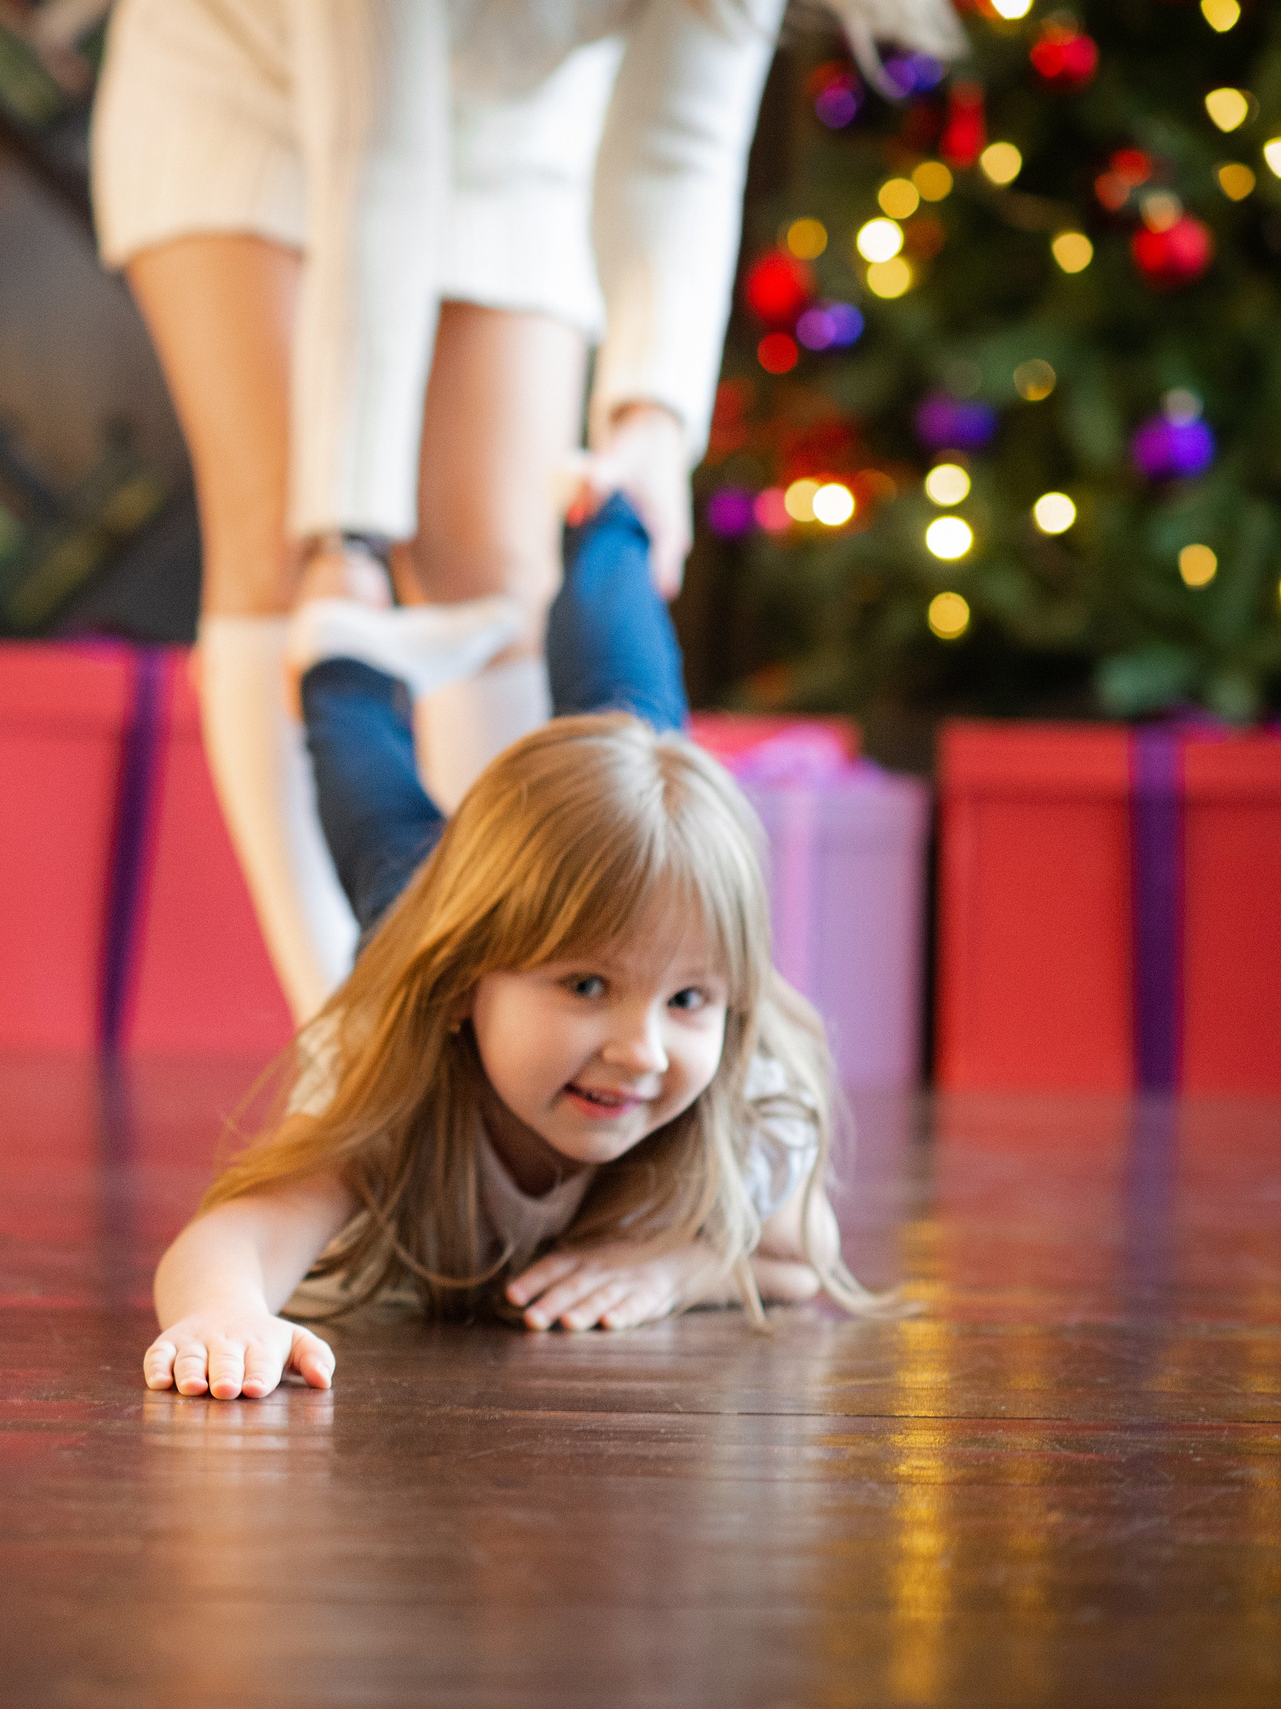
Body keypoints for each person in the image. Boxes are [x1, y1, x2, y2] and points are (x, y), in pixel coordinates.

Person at [91, 0, 964, 1022]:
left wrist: (648, 417)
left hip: (515, 130)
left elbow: (678, 150)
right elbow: (376, 156)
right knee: (292, 549)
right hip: (251, 84)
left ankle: (508, 1010)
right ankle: (348, 1036)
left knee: (496, 572)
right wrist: (348, 528)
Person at [140, 500, 899, 1401]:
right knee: (362, 782)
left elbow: (804, 1260)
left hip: (606, 861)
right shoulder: (393, 1072)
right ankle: (347, 654)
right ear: (464, 982)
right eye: (586, 984)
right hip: (412, 916)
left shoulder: (740, 1071)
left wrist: (669, 1271)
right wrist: (225, 1311)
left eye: (689, 1000)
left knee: (642, 743)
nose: (645, 1049)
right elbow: (245, 1233)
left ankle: (609, 513)